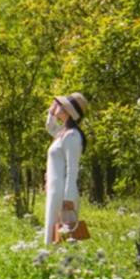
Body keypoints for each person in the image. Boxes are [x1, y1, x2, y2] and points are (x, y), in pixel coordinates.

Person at [44, 92, 88, 245]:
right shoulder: (62, 133)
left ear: (68, 111)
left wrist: (68, 198)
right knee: (54, 232)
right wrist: (51, 112)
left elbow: (72, 168)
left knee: (65, 236)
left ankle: (69, 266)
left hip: (63, 193)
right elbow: (50, 127)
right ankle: (54, 264)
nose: (56, 105)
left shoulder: (72, 136)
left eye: (60, 104)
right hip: (55, 190)